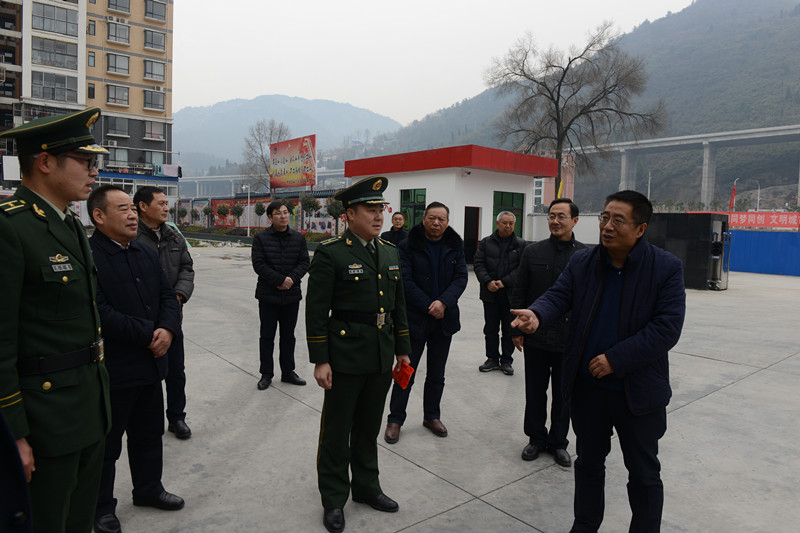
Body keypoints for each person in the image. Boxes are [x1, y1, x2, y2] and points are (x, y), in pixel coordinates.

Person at [511, 190, 686, 532]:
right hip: (590, 389)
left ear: (640, 228)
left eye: (618, 220)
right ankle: (586, 525)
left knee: (644, 473)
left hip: (638, 393)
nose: (607, 226)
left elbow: (667, 329)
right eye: (605, 217)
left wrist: (616, 359)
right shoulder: (584, 262)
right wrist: (537, 314)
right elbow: (559, 296)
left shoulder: (665, 268)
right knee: (589, 464)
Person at [0, 107, 111, 533]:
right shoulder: (12, 229)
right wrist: (15, 434)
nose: (94, 172)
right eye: (85, 161)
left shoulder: (67, 224)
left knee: (79, 520)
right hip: (45, 417)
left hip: (86, 407)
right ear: (45, 162)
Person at [305, 176, 411, 533]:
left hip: (381, 356)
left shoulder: (390, 252)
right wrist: (320, 359)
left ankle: (367, 487)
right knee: (337, 430)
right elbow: (316, 310)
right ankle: (334, 498)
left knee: (368, 428)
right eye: (370, 210)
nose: (378, 216)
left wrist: (403, 351)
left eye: (381, 209)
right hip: (345, 355)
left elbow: (398, 307)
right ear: (350, 214)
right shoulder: (331, 252)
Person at [88, 185, 184, 533]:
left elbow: (167, 295)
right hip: (114, 369)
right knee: (107, 446)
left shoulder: (143, 251)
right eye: (123, 209)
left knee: (148, 435)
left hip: (150, 365)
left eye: (132, 208)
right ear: (99, 216)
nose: (132, 215)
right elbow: (99, 312)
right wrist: (150, 334)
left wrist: (168, 330)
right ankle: (101, 507)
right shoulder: (90, 256)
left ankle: (148, 489)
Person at [510, 198, 586, 467]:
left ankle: (559, 442)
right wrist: (516, 332)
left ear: (574, 221)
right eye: (551, 216)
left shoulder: (585, 256)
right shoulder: (533, 252)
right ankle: (536, 438)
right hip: (537, 337)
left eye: (561, 216)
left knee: (564, 395)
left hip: (569, 340)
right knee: (535, 391)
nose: (555, 221)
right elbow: (519, 291)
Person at [384, 201, 468, 443]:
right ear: (423, 219)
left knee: (437, 373)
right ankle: (395, 418)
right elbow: (404, 281)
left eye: (441, 219)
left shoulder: (455, 244)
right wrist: (429, 306)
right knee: (405, 371)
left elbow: (461, 278)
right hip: (415, 319)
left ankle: (431, 415)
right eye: (432, 218)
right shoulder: (406, 245)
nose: (436, 223)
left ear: (447, 221)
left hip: (444, 320)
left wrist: (443, 303)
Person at [133, 186, 196, 439]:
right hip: (142, 319)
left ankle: (177, 417)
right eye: (160, 203)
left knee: (175, 372)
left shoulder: (174, 236)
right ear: (143, 207)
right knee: (144, 374)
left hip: (172, 317)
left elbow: (187, 268)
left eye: (165, 203)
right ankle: (145, 422)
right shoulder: (131, 236)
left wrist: (178, 296)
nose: (166, 208)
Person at [252, 201, 309, 390]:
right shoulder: (261, 238)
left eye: (285, 212)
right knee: (267, 336)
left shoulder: (299, 238)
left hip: (291, 296)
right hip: (268, 296)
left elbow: (304, 262)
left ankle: (288, 372)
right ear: (270, 217)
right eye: (278, 213)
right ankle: (266, 374)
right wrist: (278, 280)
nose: (283, 216)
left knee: (288, 336)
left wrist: (291, 279)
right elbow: (259, 265)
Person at [474, 211, 527, 376]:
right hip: (490, 294)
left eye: (511, 223)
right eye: (505, 223)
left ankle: (506, 361)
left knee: (509, 328)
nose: (508, 226)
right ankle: (491, 358)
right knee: (490, 328)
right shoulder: (485, 242)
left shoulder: (521, 245)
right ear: (497, 223)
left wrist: (505, 282)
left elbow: (522, 269)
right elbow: (478, 263)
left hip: (511, 295)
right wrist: (487, 281)